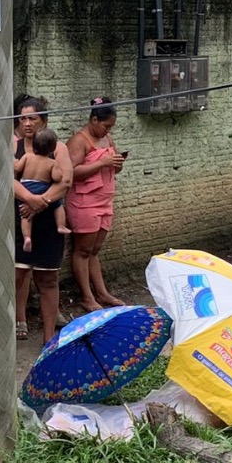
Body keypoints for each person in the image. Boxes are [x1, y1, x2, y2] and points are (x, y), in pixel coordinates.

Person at [13, 98, 71, 346]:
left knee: (47, 279)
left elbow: (65, 182)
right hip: (22, 217)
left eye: (32, 118)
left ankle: (49, 336)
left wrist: (41, 201)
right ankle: (16, 323)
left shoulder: (59, 148)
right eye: (23, 118)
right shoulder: (13, 146)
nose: (27, 123)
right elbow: (7, 177)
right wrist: (30, 199)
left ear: (44, 120)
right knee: (16, 276)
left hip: (48, 223)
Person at [67, 96, 126, 311]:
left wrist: (117, 163)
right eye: (105, 126)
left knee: (94, 250)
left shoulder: (108, 139)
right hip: (84, 203)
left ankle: (102, 292)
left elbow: (113, 166)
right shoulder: (79, 141)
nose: (108, 131)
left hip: (104, 200)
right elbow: (70, 172)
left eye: (111, 127)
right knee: (82, 250)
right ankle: (86, 296)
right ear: (93, 120)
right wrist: (102, 162)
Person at [14, 126, 70, 252]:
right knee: (58, 205)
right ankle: (60, 225)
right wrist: (59, 173)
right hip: (42, 188)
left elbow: (17, 169)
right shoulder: (52, 162)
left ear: (33, 145)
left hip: (26, 186)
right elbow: (57, 178)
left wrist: (15, 162)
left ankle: (27, 237)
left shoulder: (27, 156)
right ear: (52, 148)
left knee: (25, 216)